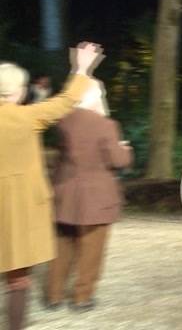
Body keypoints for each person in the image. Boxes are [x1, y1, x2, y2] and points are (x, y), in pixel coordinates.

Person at [0, 42, 104, 330]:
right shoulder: (26, 117)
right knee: (18, 278)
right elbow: (66, 100)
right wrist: (82, 68)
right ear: (17, 92)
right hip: (18, 212)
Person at [45, 82, 133, 311]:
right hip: (96, 197)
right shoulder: (106, 125)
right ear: (95, 98)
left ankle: (53, 295)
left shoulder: (63, 121)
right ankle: (81, 297)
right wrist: (125, 149)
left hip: (64, 194)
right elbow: (118, 161)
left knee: (62, 246)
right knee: (91, 248)